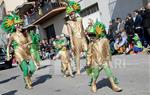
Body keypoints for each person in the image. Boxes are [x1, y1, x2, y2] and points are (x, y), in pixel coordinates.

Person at [1, 13, 36, 89]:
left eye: (21, 24)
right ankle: (27, 84)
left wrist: (27, 44)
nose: (20, 26)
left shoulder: (25, 33)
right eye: (18, 24)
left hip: (26, 52)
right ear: (15, 26)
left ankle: (27, 77)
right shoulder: (13, 35)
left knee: (33, 68)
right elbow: (8, 45)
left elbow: (31, 41)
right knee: (25, 68)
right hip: (18, 52)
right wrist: (8, 54)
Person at [86, 20, 122, 93]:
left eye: (93, 35)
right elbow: (89, 54)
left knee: (109, 72)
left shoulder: (104, 40)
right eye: (89, 35)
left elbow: (108, 51)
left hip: (104, 60)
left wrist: (109, 60)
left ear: (97, 34)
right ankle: (93, 84)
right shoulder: (91, 44)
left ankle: (113, 85)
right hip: (95, 62)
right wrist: (88, 61)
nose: (91, 37)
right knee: (96, 74)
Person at [66, 1, 88, 75]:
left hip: (83, 37)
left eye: (72, 13)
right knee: (77, 55)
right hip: (75, 39)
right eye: (70, 14)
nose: (71, 15)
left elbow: (83, 28)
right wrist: (72, 43)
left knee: (87, 50)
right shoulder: (69, 23)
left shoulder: (80, 19)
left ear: (75, 12)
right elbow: (70, 35)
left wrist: (86, 35)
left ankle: (89, 63)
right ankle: (78, 70)